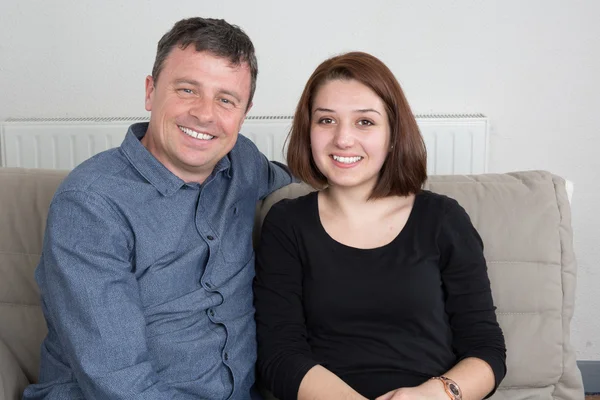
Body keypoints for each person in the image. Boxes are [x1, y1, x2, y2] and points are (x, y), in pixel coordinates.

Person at [23, 17, 294, 399]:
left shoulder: (242, 163)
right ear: (151, 92)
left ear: (244, 113)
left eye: (226, 99)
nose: (205, 114)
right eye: (187, 89)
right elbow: (116, 380)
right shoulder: (90, 205)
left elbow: (302, 176)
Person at [254, 52, 506, 400]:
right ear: (308, 130)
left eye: (365, 122)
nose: (343, 139)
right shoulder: (287, 223)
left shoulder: (443, 220)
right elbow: (279, 355)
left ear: (392, 134)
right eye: (326, 120)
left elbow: (486, 349)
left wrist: (433, 395)